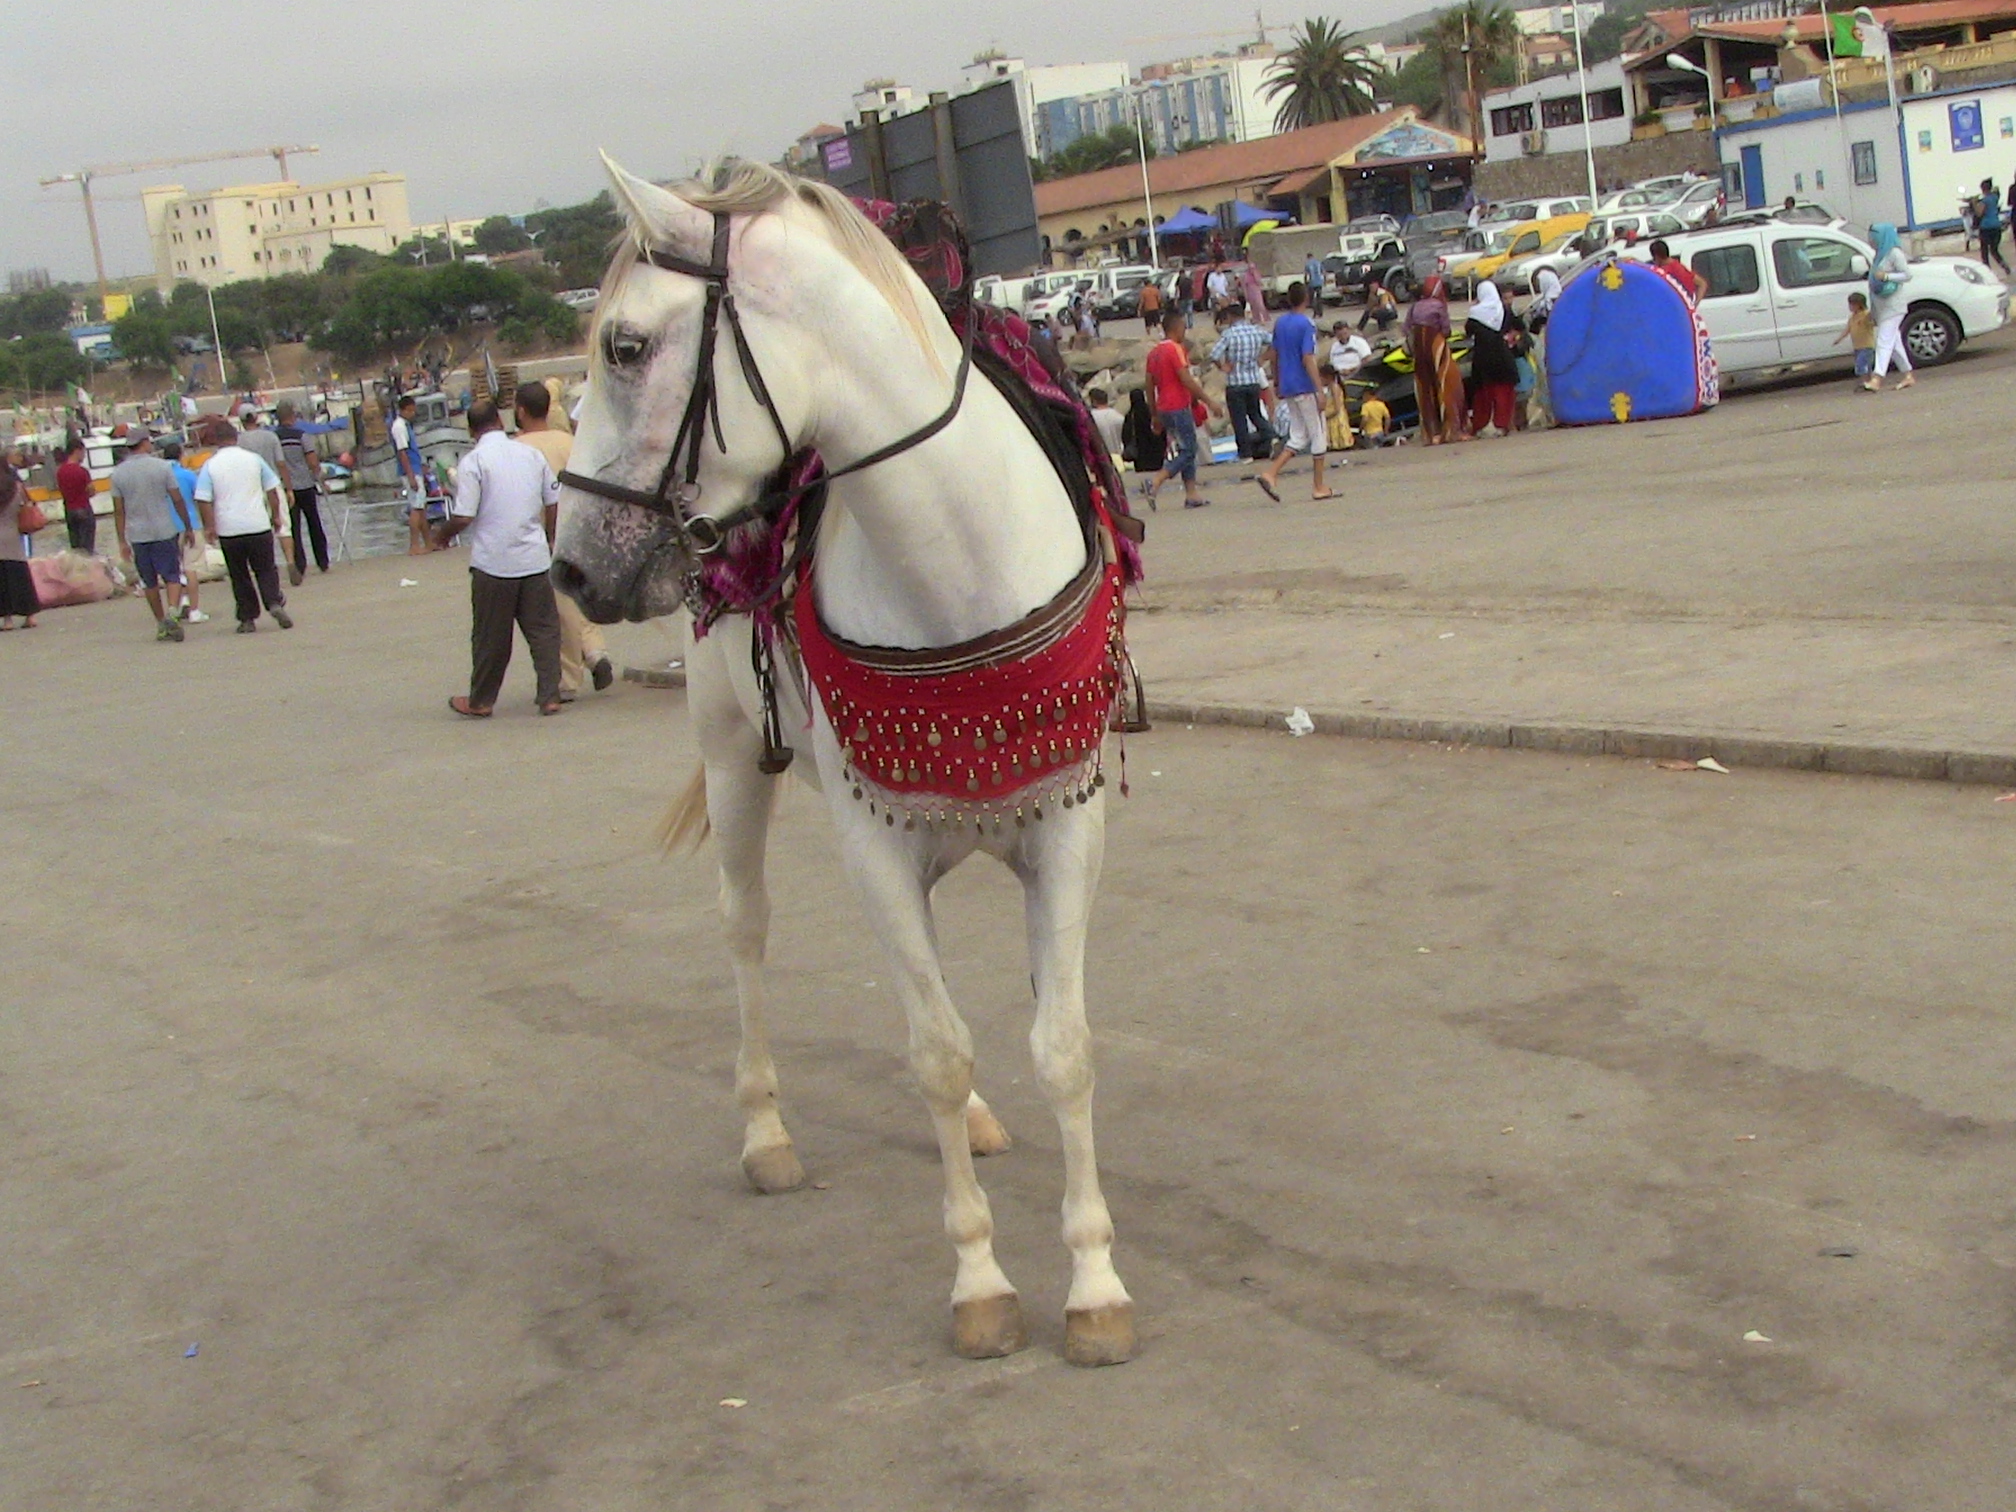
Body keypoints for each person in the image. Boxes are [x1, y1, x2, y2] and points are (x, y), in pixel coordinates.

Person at [434, 400, 563, 717]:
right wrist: (549, 536)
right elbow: (553, 500)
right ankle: (549, 695)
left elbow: (464, 515)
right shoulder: (531, 455)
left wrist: (441, 535)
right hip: (533, 558)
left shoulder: (473, 462)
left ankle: (481, 700)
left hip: (493, 562)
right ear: (500, 420)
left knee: (491, 637)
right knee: (544, 632)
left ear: (471, 430)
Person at [512, 380, 612, 704]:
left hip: (543, 531)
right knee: (581, 592)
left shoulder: (517, 448)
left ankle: (569, 677)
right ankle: (595, 651)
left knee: (560, 607)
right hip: (583, 525)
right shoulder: (570, 442)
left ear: (521, 410)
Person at [194, 427, 293, 633]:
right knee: (266, 569)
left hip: (229, 529)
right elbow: (272, 490)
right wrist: (275, 516)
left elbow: (203, 498)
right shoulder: (254, 459)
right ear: (236, 438)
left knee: (239, 575)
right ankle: (273, 602)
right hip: (258, 524)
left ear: (216, 440)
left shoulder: (210, 465)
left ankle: (247, 617)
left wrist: (209, 526)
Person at [108, 431, 192, 642]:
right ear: (145, 443)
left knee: (149, 581)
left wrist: (121, 540)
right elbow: (177, 499)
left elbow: (119, 510)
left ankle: (161, 622)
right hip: (164, 529)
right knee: (172, 575)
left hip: (138, 534)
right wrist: (187, 526)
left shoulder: (118, 473)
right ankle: (173, 611)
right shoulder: (162, 467)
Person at [1256, 282, 1331, 502]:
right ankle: (1318, 485)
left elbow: (1275, 353)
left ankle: (1271, 473)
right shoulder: (1306, 324)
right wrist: (1320, 390)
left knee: (1298, 434)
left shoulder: (1281, 323)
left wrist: (1277, 381)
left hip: (1288, 384)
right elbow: (1308, 357)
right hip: (1304, 384)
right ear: (1306, 298)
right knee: (1317, 434)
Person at [1141, 310, 1221, 510]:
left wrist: (1154, 414)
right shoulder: (1175, 349)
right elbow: (1185, 378)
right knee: (1189, 449)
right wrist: (1208, 401)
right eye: (1183, 328)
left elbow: (1149, 386)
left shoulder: (1153, 354)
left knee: (1185, 446)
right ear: (1176, 329)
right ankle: (1157, 480)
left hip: (1163, 407)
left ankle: (1191, 493)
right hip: (1177, 405)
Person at [236, 411, 302, 587]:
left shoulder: (239, 441)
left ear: (242, 421)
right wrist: (289, 488)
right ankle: (290, 561)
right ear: (256, 418)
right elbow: (281, 463)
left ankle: (268, 566)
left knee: (261, 528)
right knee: (284, 526)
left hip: (251, 487)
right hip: (273, 483)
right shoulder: (271, 437)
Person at [1209, 300, 1276, 463]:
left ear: (1231, 316)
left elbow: (1213, 354)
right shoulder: (1256, 331)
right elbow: (1275, 342)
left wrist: (1222, 367)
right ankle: (1272, 436)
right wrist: (1263, 358)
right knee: (1256, 415)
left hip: (1235, 383)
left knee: (1239, 421)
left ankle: (1245, 454)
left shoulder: (1229, 334)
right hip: (1253, 381)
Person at [1405, 274, 1467, 445]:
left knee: (1425, 388)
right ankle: (1450, 430)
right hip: (1435, 344)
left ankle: (1432, 433)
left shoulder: (1415, 306)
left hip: (1419, 348)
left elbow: (1406, 328)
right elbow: (1446, 329)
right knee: (1447, 384)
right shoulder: (1439, 305)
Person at [274, 401, 329, 576]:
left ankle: (299, 564)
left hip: (286, 487)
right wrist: (320, 479)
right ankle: (322, 560)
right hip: (305, 484)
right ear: (292, 416)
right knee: (314, 523)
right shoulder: (302, 436)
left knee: (293, 527)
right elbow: (312, 460)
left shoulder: (274, 438)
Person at [161, 440, 211, 623]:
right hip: (189, 523)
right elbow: (200, 499)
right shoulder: (188, 475)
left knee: (174, 569)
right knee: (191, 568)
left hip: (166, 527)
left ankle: (179, 603)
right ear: (180, 455)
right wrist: (209, 524)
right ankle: (195, 610)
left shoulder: (160, 476)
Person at [1466, 280, 1523, 438]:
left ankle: (1480, 425)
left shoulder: (1475, 313)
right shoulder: (1504, 310)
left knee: (1483, 394)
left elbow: (1468, 331)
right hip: (1502, 356)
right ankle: (1502, 425)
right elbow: (1520, 325)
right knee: (1503, 392)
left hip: (1482, 359)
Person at [1864, 223, 1915, 392]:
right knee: (1894, 342)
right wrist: (1873, 310)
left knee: (1884, 340)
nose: (1871, 240)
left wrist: (1886, 276)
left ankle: (1877, 378)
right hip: (1881, 306)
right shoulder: (1879, 255)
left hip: (1894, 305)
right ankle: (1908, 375)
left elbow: (1907, 275)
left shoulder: (1894, 253)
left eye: (1874, 237)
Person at [0, 457, 41, 630]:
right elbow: (28, 503)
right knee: (21, 576)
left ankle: (7, 620)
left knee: (2, 582)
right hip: (14, 536)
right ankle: (30, 616)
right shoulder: (17, 487)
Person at [392, 394, 430, 554]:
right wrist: (411, 476)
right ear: (403, 410)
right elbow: (402, 452)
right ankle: (414, 545)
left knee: (421, 506)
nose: (412, 414)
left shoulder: (406, 426)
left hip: (415, 468)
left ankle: (428, 542)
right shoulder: (399, 427)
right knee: (416, 506)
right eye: (410, 411)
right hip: (411, 471)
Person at [56, 440, 95, 552]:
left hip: (69, 511)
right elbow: (91, 491)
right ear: (77, 451)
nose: (84, 456)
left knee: (75, 547)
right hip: (83, 509)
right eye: (83, 452)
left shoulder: (60, 471)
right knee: (87, 548)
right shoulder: (82, 471)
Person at [1120, 387, 1166, 476]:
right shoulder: (1152, 412)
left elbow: (1125, 435)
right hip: (1156, 452)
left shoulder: (1130, 416)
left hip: (1140, 455)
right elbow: (1161, 429)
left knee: (1143, 476)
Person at [1833, 291, 1877, 381]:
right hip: (1857, 346)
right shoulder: (1852, 317)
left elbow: (1873, 322)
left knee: (1861, 365)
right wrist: (1839, 339)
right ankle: (1869, 381)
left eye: (1853, 305)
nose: (1850, 307)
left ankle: (1867, 381)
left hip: (1867, 346)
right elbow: (1847, 329)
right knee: (1866, 366)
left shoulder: (1866, 315)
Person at [1647, 239, 1699, 305]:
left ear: (1657, 257)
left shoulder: (1665, 272)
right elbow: (1702, 284)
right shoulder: (1679, 266)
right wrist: (1694, 304)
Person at [1318, 362, 1354, 453]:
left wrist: (1326, 415)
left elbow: (1337, 407)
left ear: (1328, 377)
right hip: (1331, 418)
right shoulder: (1330, 388)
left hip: (1336, 419)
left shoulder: (1335, 388)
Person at [1979, 178, 2010, 273]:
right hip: (1996, 226)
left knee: (1984, 251)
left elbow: (1980, 213)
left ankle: (1988, 271)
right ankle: (2004, 266)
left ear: (1983, 189)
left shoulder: (1984, 201)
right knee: (1994, 250)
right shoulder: (1995, 198)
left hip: (1986, 227)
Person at [1087, 386, 1125, 459]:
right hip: (1120, 456)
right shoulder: (1119, 416)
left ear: (1094, 401)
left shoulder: (1091, 418)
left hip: (1101, 458)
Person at [1305, 252, 1327, 316]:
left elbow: (1306, 275)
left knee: (1311, 299)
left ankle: (1315, 312)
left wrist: (1306, 283)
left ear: (1308, 257)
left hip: (1312, 283)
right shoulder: (1318, 263)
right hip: (1319, 282)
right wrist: (1324, 281)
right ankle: (1320, 313)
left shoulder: (1307, 264)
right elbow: (1324, 272)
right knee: (1319, 298)